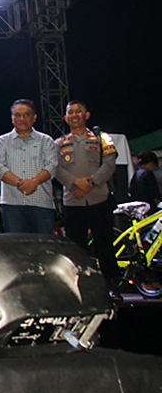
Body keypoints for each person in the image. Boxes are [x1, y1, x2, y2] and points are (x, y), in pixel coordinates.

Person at [54, 101, 121, 284]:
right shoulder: (59, 143)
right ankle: (83, 285)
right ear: (66, 118)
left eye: (79, 111)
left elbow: (109, 164)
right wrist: (76, 183)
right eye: (71, 112)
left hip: (99, 199)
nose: (75, 115)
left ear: (87, 115)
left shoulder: (102, 138)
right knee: (76, 247)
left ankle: (112, 284)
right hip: (73, 200)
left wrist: (91, 183)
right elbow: (56, 169)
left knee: (104, 244)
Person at [0, 99, 57, 234]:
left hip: (41, 203)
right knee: (16, 245)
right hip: (12, 205)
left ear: (34, 117)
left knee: (44, 244)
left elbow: (52, 166)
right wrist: (20, 183)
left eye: (26, 115)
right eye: (17, 115)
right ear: (12, 118)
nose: (22, 119)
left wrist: (34, 182)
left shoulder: (46, 140)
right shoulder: (3, 141)